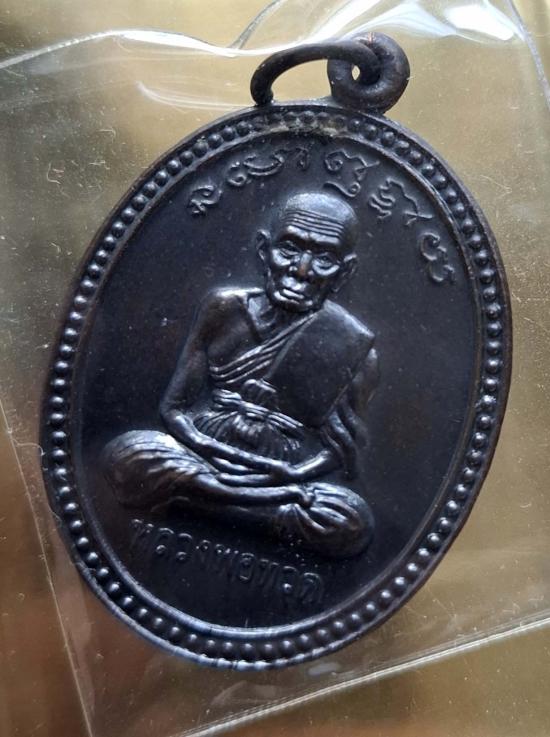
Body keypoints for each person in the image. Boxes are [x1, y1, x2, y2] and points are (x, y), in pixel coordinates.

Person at [103, 191, 379, 558]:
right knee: (126, 455)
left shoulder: (352, 344)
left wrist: (287, 474)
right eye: (289, 249)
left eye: (324, 259)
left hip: (278, 477)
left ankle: (203, 500)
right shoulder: (224, 309)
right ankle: (247, 508)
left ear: (345, 273)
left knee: (351, 520)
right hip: (206, 459)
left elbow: (339, 450)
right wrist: (212, 452)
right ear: (265, 251)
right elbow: (174, 409)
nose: (301, 270)